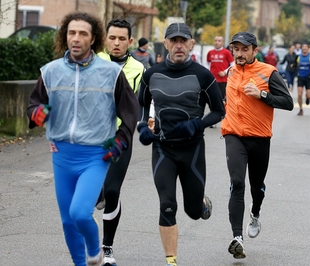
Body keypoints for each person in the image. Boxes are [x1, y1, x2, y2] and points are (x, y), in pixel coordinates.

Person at [26, 11, 138, 266]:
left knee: (79, 212)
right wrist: (38, 114)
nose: (76, 38)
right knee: (67, 220)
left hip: (95, 155)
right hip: (61, 154)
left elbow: (130, 111)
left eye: (83, 33)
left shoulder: (110, 72)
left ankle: (94, 249)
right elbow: (34, 104)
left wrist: (120, 140)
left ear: (94, 38)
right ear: (65, 36)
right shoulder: (51, 71)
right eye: (71, 33)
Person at [136, 22, 225, 266]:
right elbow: (141, 107)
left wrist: (198, 125)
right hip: (163, 148)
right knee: (167, 205)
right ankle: (171, 261)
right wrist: (143, 127)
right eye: (173, 40)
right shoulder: (152, 74)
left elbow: (219, 111)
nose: (178, 45)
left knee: (193, 212)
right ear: (165, 44)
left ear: (191, 44)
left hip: (192, 149)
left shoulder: (202, 75)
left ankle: (202, 202)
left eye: (183, 41)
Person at [221, 32, 293, 259]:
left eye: (244, 49)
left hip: (260, 137)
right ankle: (237, 237)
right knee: (237, 182)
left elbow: (288, 103)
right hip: (233, 134)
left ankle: (255, 212)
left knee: (256, 186)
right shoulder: (231, 71)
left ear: (254, 50)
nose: (239, 54)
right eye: (236, 49)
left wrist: (262, 94)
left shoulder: (268, 72)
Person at [96, 18, 144, 266]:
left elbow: (143, 102)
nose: (116, 43)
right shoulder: (92, 62)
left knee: (113, 190)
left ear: (130, 41)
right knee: (94, 192)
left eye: (121, 39)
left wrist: (147, 122)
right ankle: (98, 193)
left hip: (121, 136)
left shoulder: (138, 68)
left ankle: (108, 249)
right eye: (112, 37)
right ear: (105, 38)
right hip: (92, 137)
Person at [293, 43, 310, 116]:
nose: (304, 49)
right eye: (303, 48)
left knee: (309, 95)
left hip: (308, 78)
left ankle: (308, 99)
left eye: (306, 48)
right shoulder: (298, 57)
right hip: (300, 77)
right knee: (299, 94)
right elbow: (295, 64)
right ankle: (301, 109)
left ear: (308, 49)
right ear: (302, 49)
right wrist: (293, 66)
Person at [207, 35, 234, 100]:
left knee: (221, 99)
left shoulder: (227, 52)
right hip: (212, 80)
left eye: (219, 41)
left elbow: (233, 65)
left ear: (222, 43)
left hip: (223, 80)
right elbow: (207, 64)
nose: (217, 42)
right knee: (212, 98)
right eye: (216, 40)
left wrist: (225, 72)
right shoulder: (210, 52)